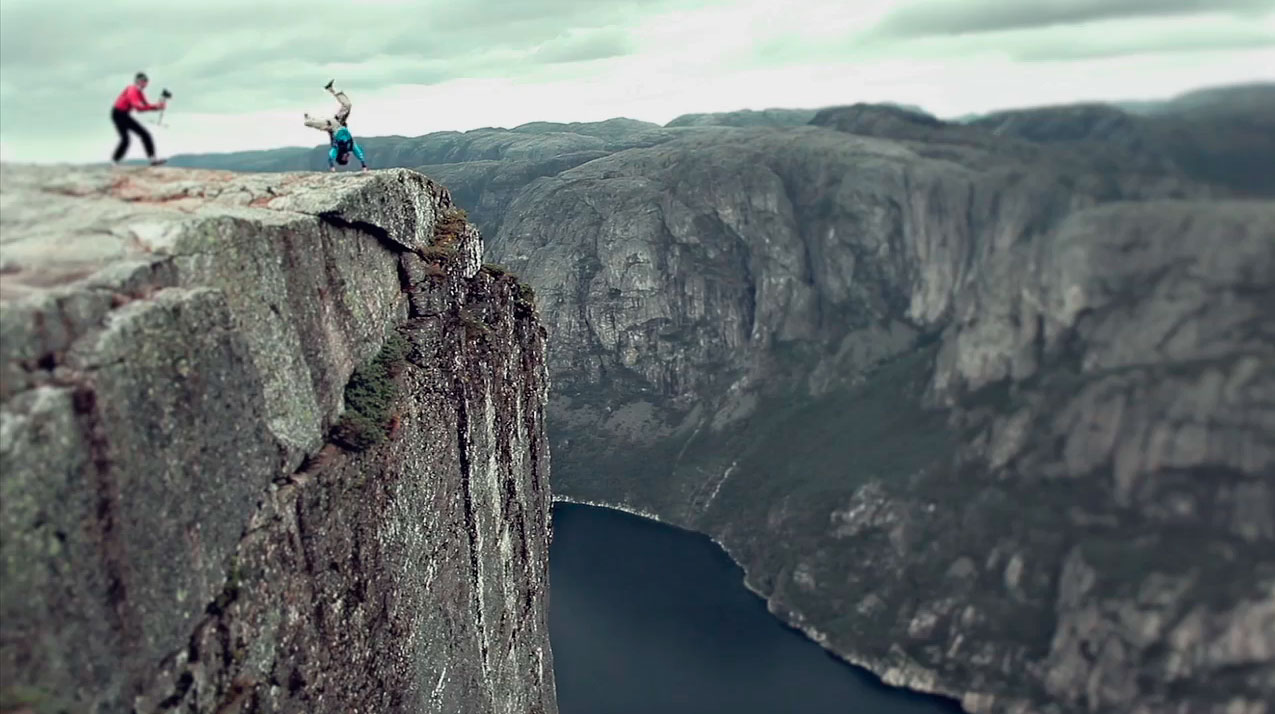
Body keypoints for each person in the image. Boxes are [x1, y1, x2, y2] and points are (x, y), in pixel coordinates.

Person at [304, 80, 368, 172]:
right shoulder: (351, 146)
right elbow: (359, 154)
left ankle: (308, 120)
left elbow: (331, 156)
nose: (347, 157)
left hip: (332, 127)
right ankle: (331, 89)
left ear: (341, 157)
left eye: (345, 158)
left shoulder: (336, 149)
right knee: (348, 105)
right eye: (347, 159)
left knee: (314, 123)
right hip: (340, 122)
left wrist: (332, 167)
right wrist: (364, 166)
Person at [111, 72, 167, 166]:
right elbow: (139, 108)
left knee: (144, 135)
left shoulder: (140, 92)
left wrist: (157, 107)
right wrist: (155, 107)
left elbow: (145, 106)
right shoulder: (132, 90)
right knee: (126, 139)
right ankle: (114, 161)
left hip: (123, 114)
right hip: (118, 114)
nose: (146, 83)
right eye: (144, 81)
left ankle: (153, 160)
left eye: (146, 81)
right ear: (138, 81)